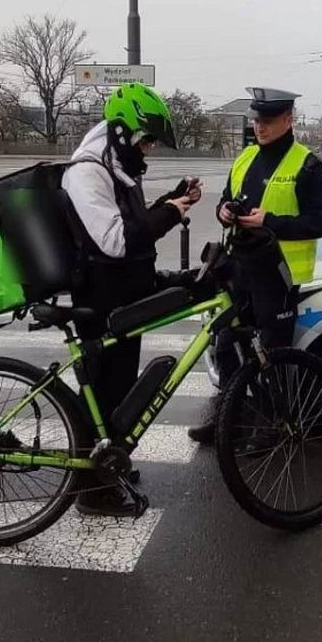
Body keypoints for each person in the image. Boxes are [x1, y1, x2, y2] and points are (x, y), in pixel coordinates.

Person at [63, 82, 201, 515]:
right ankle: (91, 491)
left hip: (121, 295)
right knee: (103, 394)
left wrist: (171, 199)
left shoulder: (115, 168)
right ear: (121, 132)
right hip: (101, 299)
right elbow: (115, 241)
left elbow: (134, 223)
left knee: (120, 388)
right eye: (146, 140)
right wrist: (171, 213)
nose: (149, 150)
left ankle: (108, 463)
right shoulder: (87, 172)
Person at [187, 87, 322, 444]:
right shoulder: (245, 158)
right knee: (226, 345)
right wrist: (223, 212)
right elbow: (227, 200)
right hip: (238, 269)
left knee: (272, 355)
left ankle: (273, 425)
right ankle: (230, 418)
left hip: (277, 276)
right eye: (256, 121)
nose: (260, 127)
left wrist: (271, 222)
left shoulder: (307, 164)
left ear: (288, 120)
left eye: (267, 121)